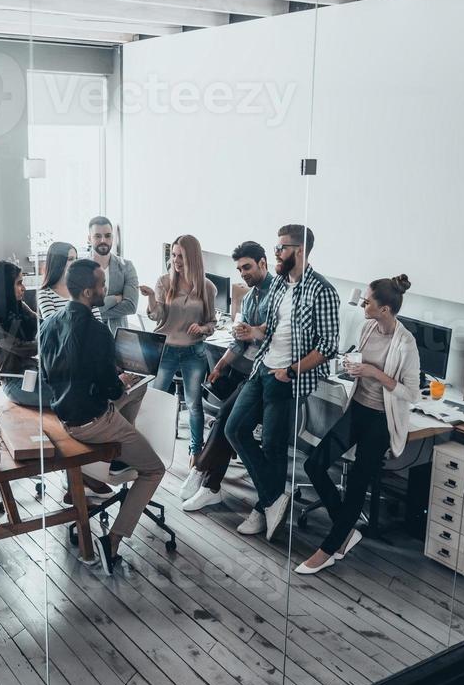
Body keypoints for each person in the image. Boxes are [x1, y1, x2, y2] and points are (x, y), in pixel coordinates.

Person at [40, 259, 165, 575]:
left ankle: (125, 446)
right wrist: (119, 380)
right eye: (100, 285)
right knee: (154, 469)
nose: (105, 289)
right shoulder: (97, 333)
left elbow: (46, 374)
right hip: (94, 423)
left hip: (64, 416)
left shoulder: (49, 323)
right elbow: (111, 391)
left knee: (137, 388)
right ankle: (113, 540)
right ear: (87, 292)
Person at [295, 275, 420, 576]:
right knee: (314, 465)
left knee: (356, 487)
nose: (363, 304)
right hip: (357, 410)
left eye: (368, 301)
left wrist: (373, 373)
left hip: (380, 421)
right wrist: (354, 370)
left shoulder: (406, 343)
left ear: (386, 309)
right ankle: (346, 530)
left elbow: (411, 394)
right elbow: (361, 366)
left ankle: (328, 550)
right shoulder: (367, 327)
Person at [225, 225, 340, 541]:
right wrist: (254, 332)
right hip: (263, 368)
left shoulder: (322, 291)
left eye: (280, 248)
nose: (275, 253)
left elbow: (328, 345)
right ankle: (274, 498)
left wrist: (291, 370)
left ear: (299, 251)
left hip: (288, 378)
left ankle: (263, 508)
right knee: (233, 429)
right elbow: (272, 328)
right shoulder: (278, 286)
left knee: (273, 446)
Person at [180, 241, 273, 512]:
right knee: (224, 422)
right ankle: (210, 485)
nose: (242, 273)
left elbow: (275, 335)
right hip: (242, 371)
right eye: (239, 268)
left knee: (225, 419)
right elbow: (239, 341)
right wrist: (220, 364)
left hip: (260, 376)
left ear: (263, 263)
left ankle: (202, 474)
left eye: (247, 267)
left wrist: (253, 331)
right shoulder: (251, 296)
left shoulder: (275, 295)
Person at [140, 235, 216, 462]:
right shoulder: (164, 282)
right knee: (154, 399)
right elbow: (157, 316)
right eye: (173, 255)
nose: (176, 260)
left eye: (181, 256)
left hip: (194, 351)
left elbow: (212, 323)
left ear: (192, 257)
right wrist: (152, 298)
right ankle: (147, 446)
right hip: (166, 350)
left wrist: (202, 328)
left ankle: (196, 451)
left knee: (194, 404)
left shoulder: (207, 287)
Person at [0, 260, 53, 407]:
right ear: (4, 287)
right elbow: (20, 348)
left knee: (77, 385)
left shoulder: (19, 306)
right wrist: (52, 341)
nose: (23, 288)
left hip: (34, 370)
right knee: (65, 397)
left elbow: (43, 326)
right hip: (15, 382)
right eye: (19, 283)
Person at [87, 215, 139, 331]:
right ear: (89, 239)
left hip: (118, 337)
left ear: (112, 237)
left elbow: (131, 306)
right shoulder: (80, 268)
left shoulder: (127, 266)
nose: (103, 240)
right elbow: (81, 308)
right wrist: (115, 299)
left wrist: (93, 314)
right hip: (88, 336)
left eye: (107, 236)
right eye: (97, 236)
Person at [38, 241, 77, 319]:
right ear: (58, 262)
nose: (75, 262)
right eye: (70, 259)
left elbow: (98, 322)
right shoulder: (45, 294)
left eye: (76, 258)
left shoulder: (84, 289)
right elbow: (53, 327)